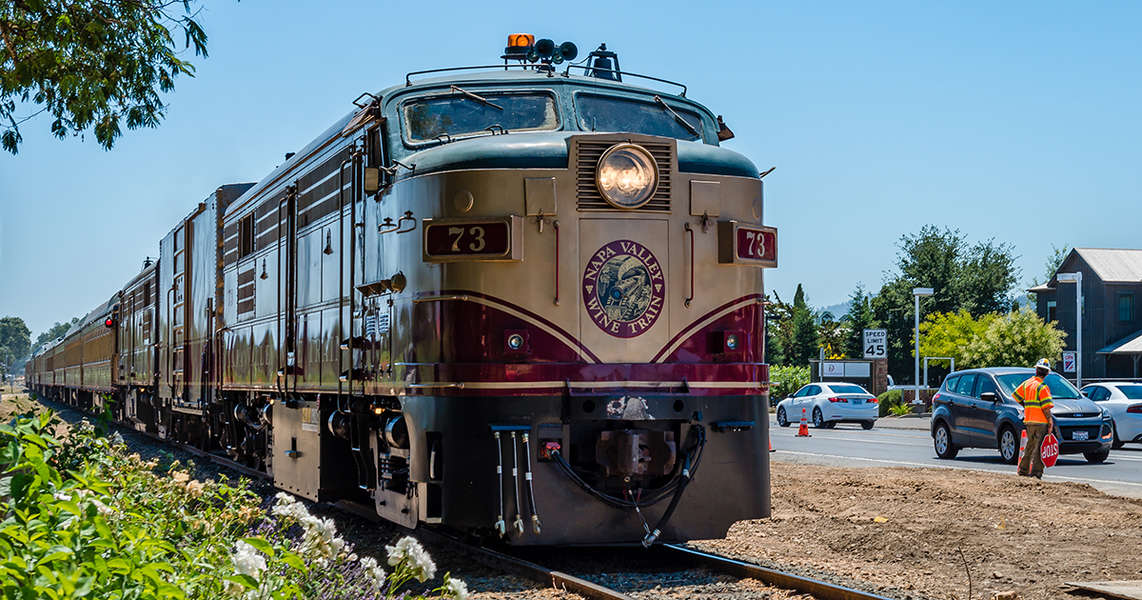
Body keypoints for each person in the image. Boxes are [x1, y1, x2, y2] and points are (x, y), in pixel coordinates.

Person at [1013, 358, 1056, 479]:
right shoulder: (1042, 387)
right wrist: (1050, 421)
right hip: (1041, 422)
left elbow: (1016, 396)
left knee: (1029, 447)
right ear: (1047, 373)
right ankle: (1036, 474)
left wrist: (1025, 405)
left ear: (1036, 370)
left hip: (1029, 420)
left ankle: (1023, 471)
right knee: (1039, 449)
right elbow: (1046, 407)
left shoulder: (1027, 383)